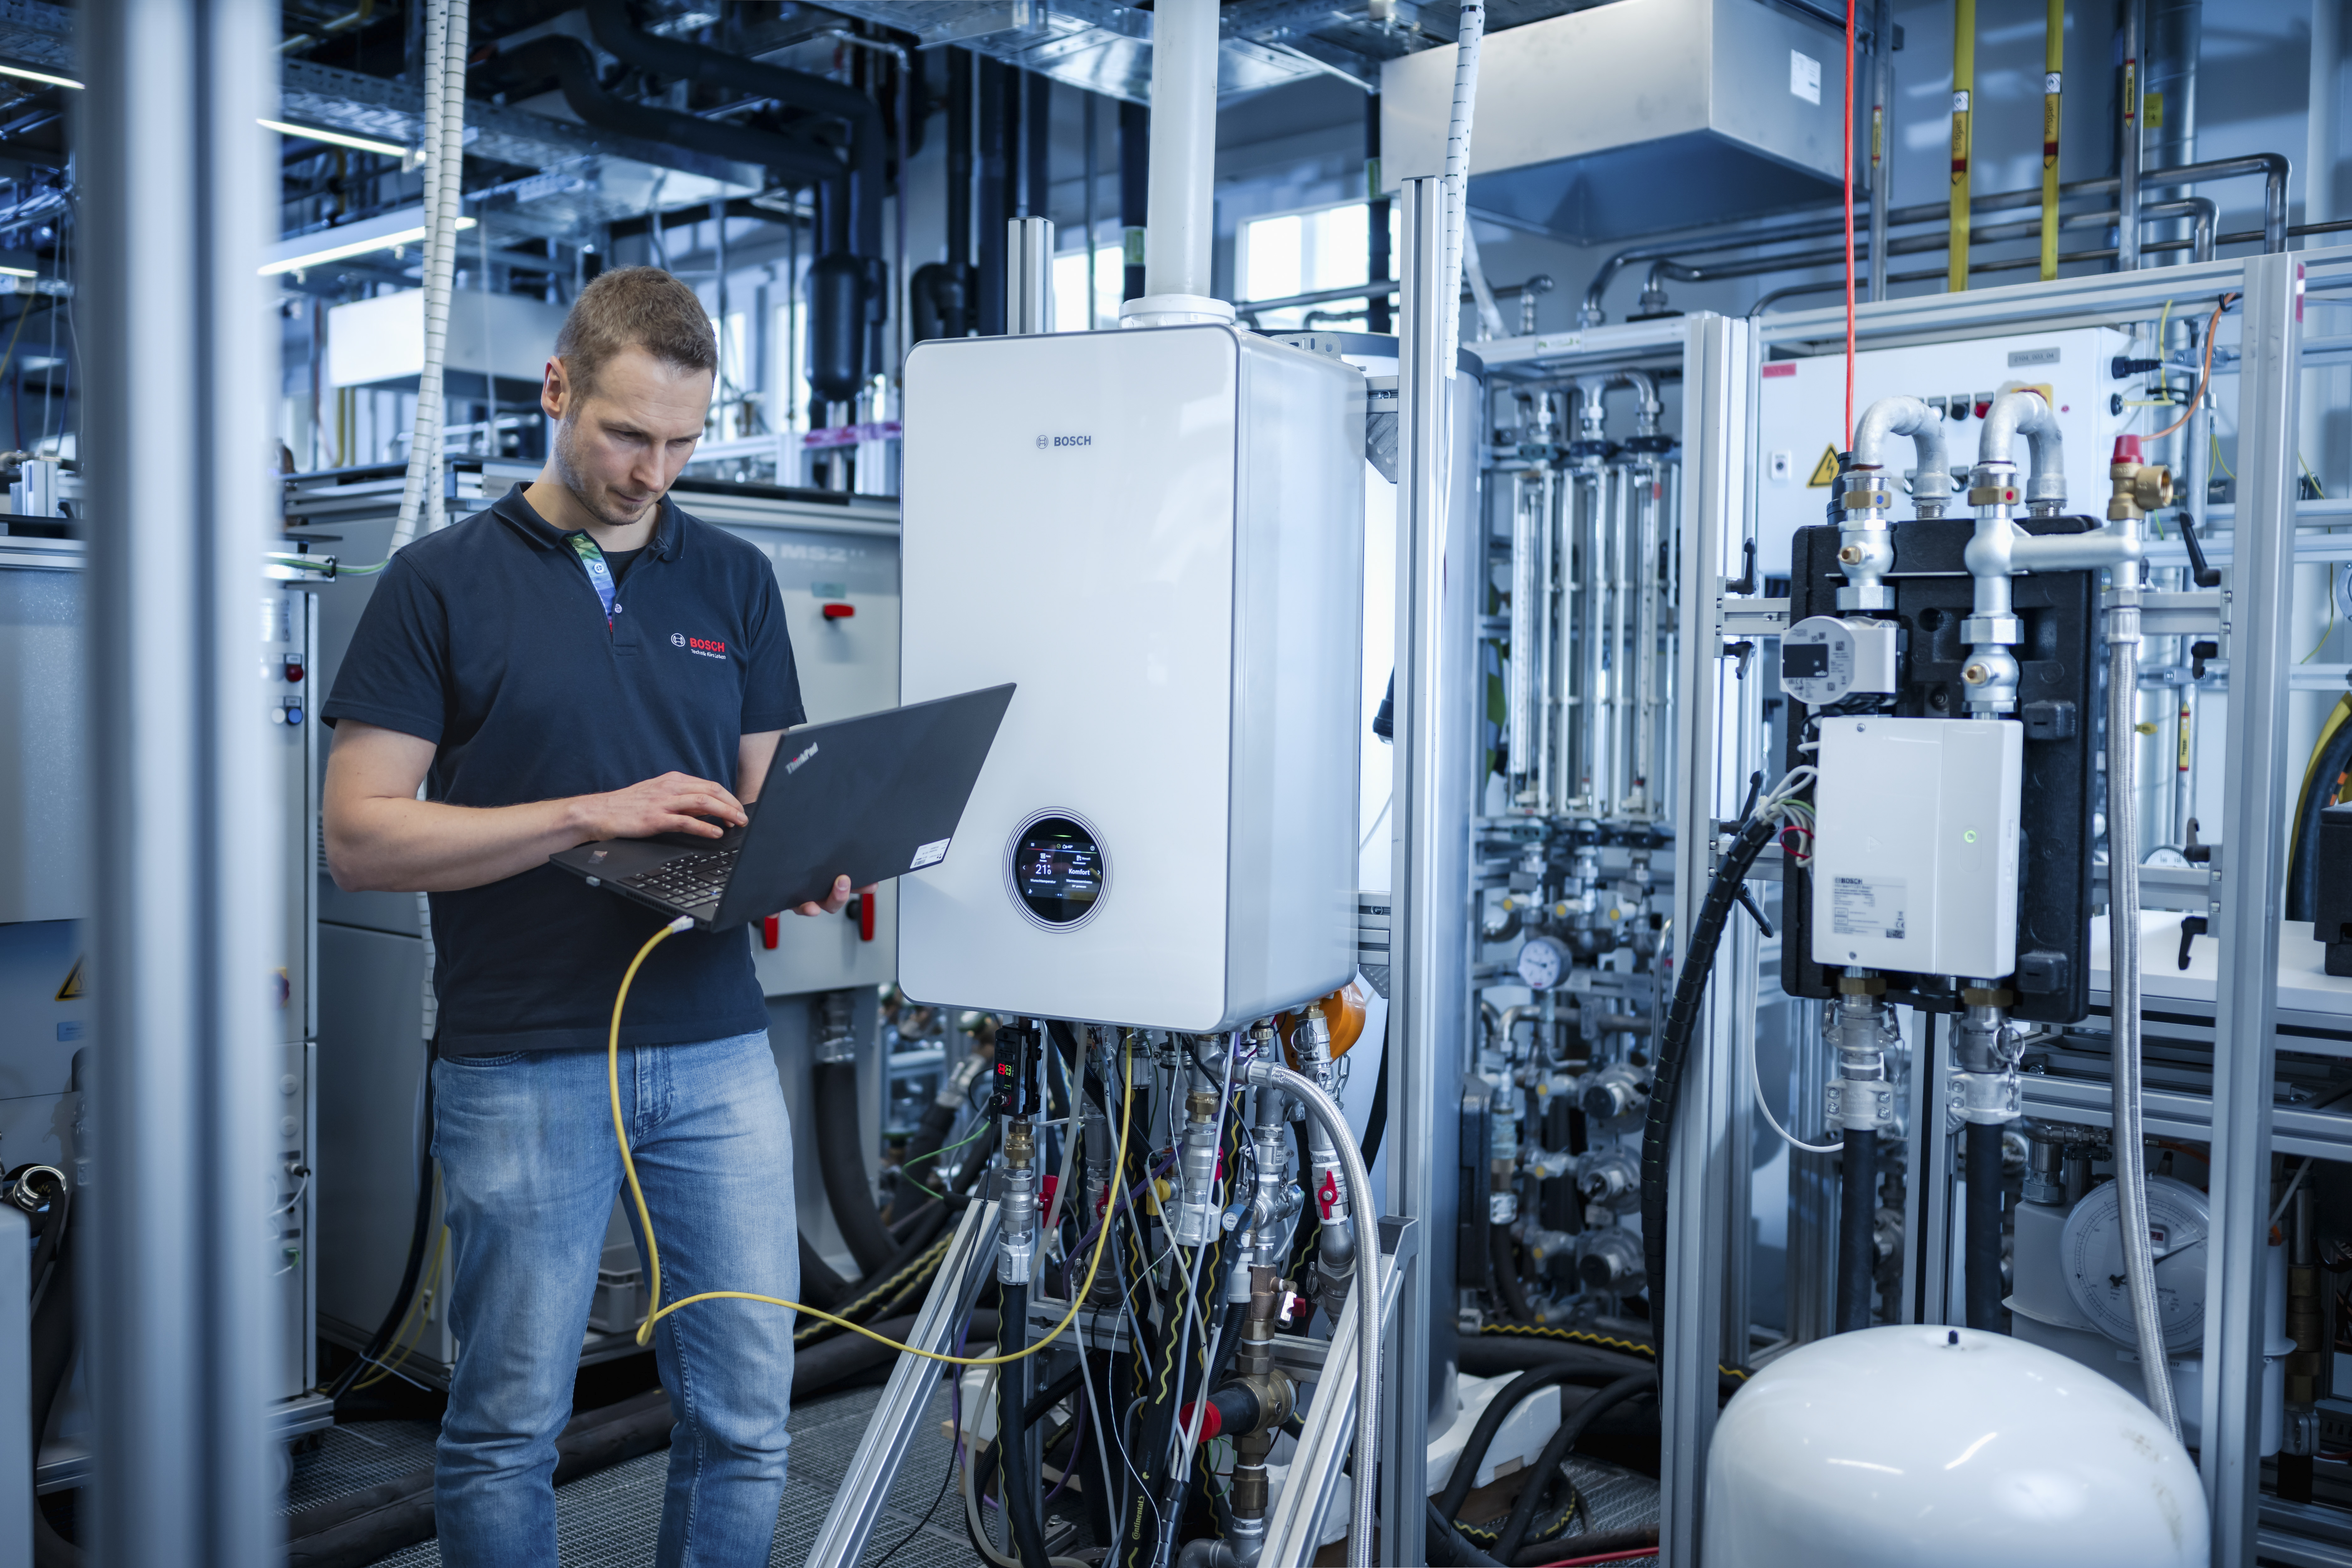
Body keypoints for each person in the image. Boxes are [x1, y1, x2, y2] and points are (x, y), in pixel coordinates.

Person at [322, 265, 852, 1568]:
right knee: (507, 1422)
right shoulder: (436, 583)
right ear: (558, 389)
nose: (652, 471)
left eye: (682, 440)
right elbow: (360, 837)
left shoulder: (731, 575)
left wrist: (818, 852)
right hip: (523, 1053)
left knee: (743, 1409)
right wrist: (584, 815)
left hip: (717, 1042)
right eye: (627, 432)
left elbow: (759, 796)